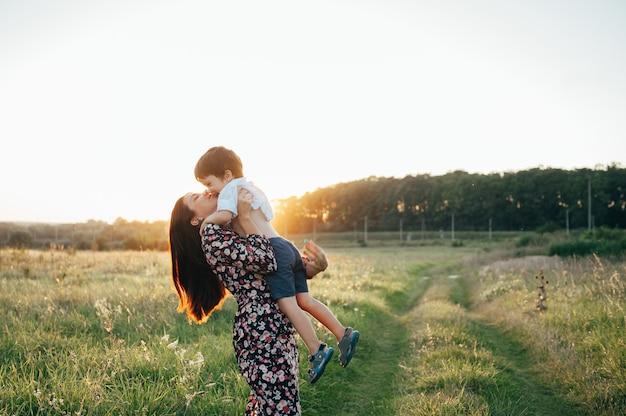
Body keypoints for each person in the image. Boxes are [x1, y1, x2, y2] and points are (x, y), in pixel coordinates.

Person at [194, 146, 359, 383]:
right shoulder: (252, 187)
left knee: (288, 304)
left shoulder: (231, 191)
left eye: (209, 184)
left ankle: (316, 349)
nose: (209, 191)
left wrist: (208, 220)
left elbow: (224, 216)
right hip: (285, 245)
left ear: (227, 175)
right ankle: (342, 333)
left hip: (273, 251)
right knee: (305, 300)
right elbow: (268, 215)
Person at [170, 187, 327, 414]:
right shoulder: (213, 235)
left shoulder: (225, 228)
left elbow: (269, 273)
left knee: (274, 406)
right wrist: (244, 217)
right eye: (195, 197)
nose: (205, 192)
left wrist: (309, 269)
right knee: (281, 409)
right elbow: (266, 260)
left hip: (273, 327)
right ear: (195, 220)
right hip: (261, 331)